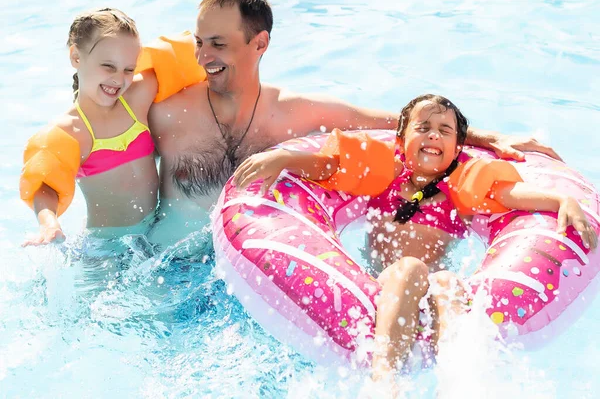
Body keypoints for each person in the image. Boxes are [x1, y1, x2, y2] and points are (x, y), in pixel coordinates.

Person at [231, 93, 597, 383]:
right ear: (401, 139)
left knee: (448, 282)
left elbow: (510, 197)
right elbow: (330, 167)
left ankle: (458, 384)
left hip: (433, 299)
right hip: (383, 288)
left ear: (457, 149)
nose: (433, 134)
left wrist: (560, 199)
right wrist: (285, 159)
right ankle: (384, 383)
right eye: (423, 127)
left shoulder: (461, 190)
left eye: (444, 130)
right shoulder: (382, 178)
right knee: (409, 268)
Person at [144, 0, 561, 247]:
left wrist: (489, 137)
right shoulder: (166, 115)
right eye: (199, 43)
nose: (202, 57)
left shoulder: (296, 112)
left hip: (256, 271)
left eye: (218, 44)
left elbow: (398, 125)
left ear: (260, 43)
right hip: (168, 276)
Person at [20, 8, 160, 246]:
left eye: (128, 69)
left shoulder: (138, 99)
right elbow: (45, 185)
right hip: (105, 247)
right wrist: (49, 223)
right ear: (76, 57)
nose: (119, 79)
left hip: (156, 232)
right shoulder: (70, 131)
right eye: (108, 66)